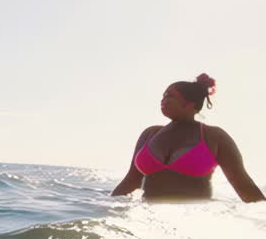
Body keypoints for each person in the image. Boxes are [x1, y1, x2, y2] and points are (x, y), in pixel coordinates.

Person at [111, 74, 263, 202]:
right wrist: (104, 209)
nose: (163, 100)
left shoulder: (214, 136)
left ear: (190, 104)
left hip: (192, 226)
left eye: (170, 96)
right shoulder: (149, 134)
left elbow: (244, 186)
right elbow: (131, 181)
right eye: (163, 96)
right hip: (146, 223)